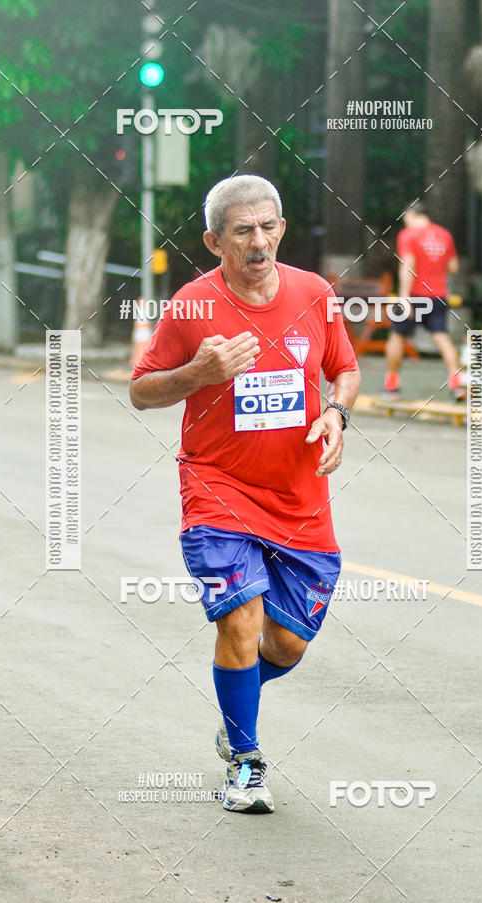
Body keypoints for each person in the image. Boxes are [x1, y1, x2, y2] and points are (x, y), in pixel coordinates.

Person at [129, 175, 360, 814]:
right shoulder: (191, 307)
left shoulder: (314, 294)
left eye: (268, 226)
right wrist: (197, 373)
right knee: (242, 618)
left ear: (282, 228)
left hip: (300, 497)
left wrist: (337, 413)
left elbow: (344, 366)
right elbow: (142, 389)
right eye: (242, 231)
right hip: (217, 489)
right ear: (213, 241)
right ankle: (246, 759)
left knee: (286, 644)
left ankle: (239, 706)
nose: (258, 242)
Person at [382, 201, 465, 401]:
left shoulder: (408, 235)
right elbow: (453, 267)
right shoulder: (444, 235)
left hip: (414, 295)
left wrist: (403, 296)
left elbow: (408, 265)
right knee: (442, 337)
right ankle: (457, 384)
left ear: (411, 214)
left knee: (397, 337)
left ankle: (392, 385)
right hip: (438, 295)